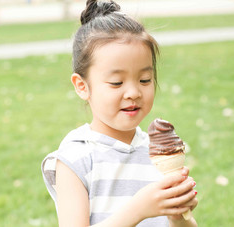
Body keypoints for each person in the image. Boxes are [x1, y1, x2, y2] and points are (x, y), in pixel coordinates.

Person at [41, 0, 198, 226]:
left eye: (145, 80)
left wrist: (177, 216)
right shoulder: (75, 158)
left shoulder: (156, 153)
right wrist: (139, 209)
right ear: (82, 86)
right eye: (116, 83)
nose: (133, 92)